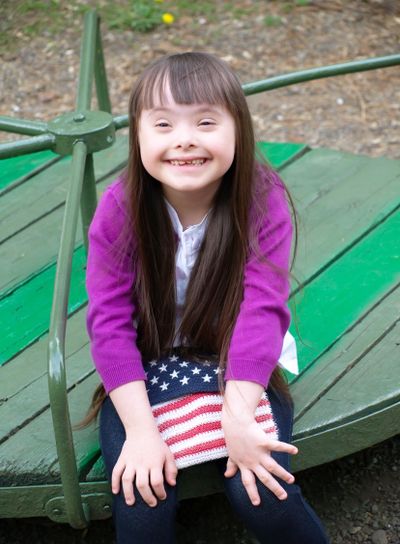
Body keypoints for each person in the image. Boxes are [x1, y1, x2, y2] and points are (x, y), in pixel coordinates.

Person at [85, 52, 329, 544]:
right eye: (162, 124)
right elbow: (108, 324)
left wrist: (238, 418)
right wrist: (141, 431)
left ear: (238, 129)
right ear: (138, 136)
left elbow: (262, 311)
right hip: (148, 364)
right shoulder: (120, 209)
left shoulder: (260, 198)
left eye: (205, 121)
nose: (184, 139)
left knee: (258, 486)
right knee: (143, 497)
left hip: (237, 359)